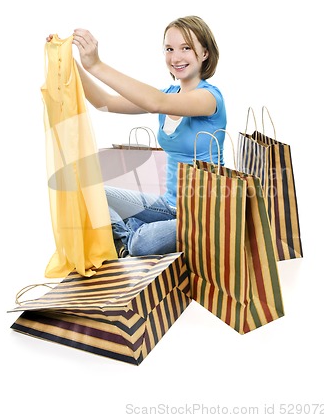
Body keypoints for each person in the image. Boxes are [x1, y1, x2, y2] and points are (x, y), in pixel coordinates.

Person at [47, 15, 227, 257]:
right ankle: (131, 237)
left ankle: (132, 237)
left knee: (143, 245)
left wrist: (97, 65)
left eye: (186, 48)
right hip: (169, 206)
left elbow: (156, 102)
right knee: (89, 194)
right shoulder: (169, 93)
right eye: (169, 49)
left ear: (205, 53)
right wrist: (72, 64)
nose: (176, 57)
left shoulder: (209, 98)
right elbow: (105, 103)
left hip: (204, 215)